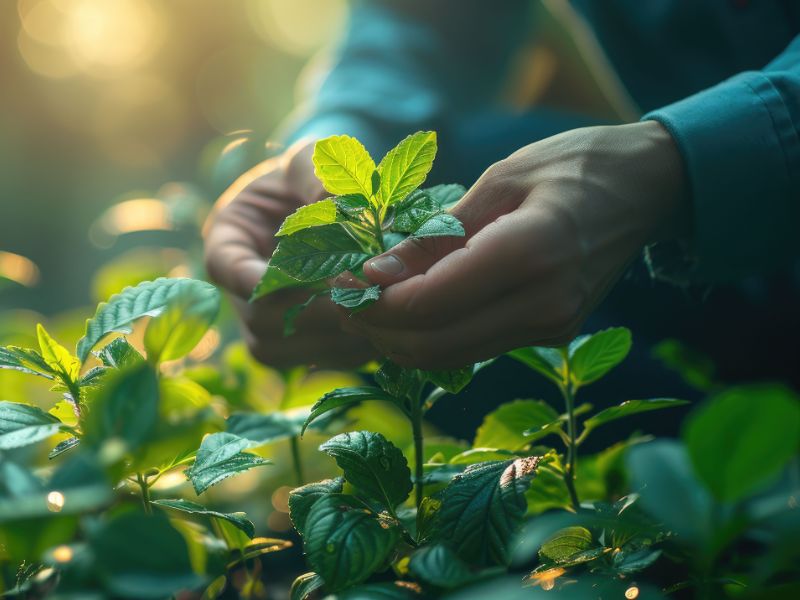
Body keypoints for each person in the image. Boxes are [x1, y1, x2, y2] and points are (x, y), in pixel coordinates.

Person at [204, 0, 800, 372]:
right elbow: (425, 21)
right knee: (456, 190)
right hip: (715, 264)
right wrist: (334, 133)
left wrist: (671, 164)